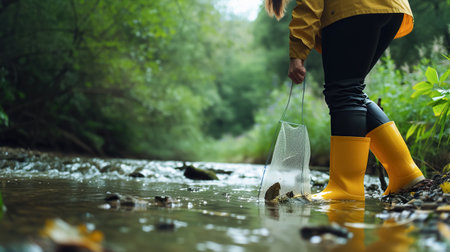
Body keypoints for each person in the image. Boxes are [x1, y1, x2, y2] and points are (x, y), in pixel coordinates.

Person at [265, 0, 425, 200]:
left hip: (354, 8)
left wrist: (297, 54)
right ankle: (406, 175)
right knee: (350, 91)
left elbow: (310, 3)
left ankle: (345, 187)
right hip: (390, 8)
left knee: (344, 93)